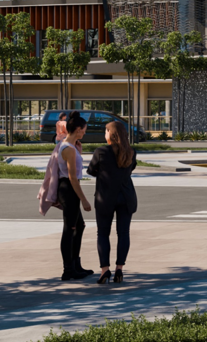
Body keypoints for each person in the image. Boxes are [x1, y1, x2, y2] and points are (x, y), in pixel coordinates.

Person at [44, 111, 94, 281]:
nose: (85, 132)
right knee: (69, 229)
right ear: (78, 129)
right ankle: (68, 270)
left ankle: (75, 265)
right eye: (84, 129)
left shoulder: (69, 146)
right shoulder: (68, 149)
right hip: (69, 189)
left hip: (69, 188)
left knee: (78, 227)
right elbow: (73, 177)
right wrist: (84, 200)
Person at [88, 120, 138, 285]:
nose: (105, 134)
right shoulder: (131, 152)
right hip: (126, 197)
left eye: (106, 131)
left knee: (103, 233)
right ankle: (119, 270)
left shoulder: (101, 151)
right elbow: (130, 169)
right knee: (123, 233)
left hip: (105, 197)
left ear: (111, 134)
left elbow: (91, 170)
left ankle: (104, 270)